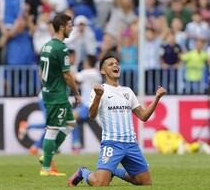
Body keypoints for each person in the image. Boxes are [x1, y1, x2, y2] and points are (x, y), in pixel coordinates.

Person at [68, 55, 166, 187]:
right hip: (112, 143)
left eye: (117, 63)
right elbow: (91, 116)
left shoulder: (128, 91)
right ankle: (83, 172)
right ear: (102, 71)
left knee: (144, 182)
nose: (116, 66)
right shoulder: (99, 90)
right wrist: (98, 97)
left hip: (131, 144)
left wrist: (157, 98)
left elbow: (143, 116)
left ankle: (113, 170)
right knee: (100, 183)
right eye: (111, 64)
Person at [38, 13, 82, 176]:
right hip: (57, 95)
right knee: (53, 128)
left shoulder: (46, 46)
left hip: (51, 92)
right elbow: (67, 75)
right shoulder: (61, 48)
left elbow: (40, 71)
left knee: (70, 123)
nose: (71, 28)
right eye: (70, 25)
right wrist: (76, 93)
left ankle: (47, 156)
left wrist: (47, 86)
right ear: (62, 27)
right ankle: (46, 168)